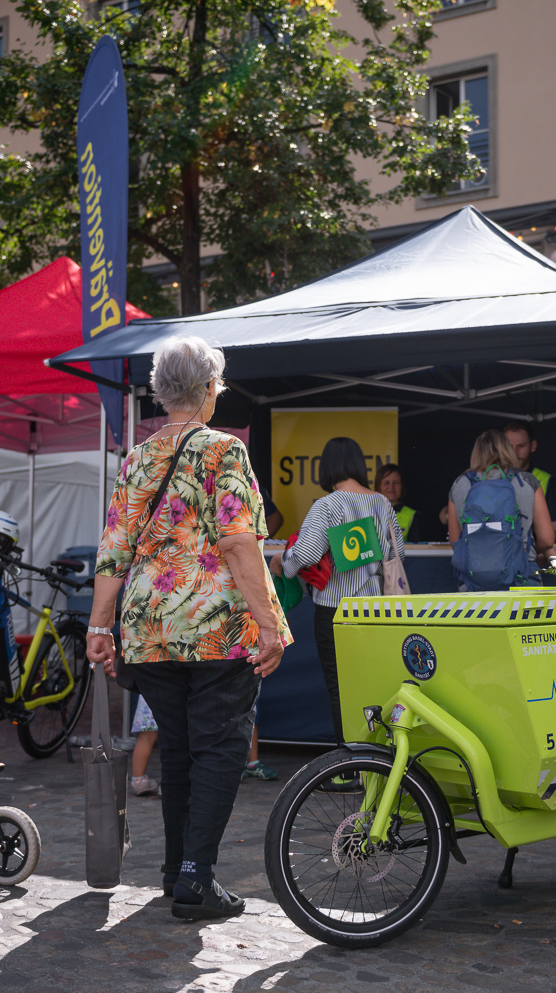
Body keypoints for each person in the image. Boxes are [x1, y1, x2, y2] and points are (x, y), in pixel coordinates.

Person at [87, 335, 287, 921]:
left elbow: (114, 546)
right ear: (207, 390)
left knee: (177, 749)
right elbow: (238, 541)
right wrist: (270, 625)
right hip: (215, 627)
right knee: (221, 746)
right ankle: (197, 877)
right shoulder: (223, 450)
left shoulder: (138, 456)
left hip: (147, 629)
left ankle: (178, 871)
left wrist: (99, 624)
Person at [270, 437, 401, 745]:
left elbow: (307, 554)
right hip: (376, 611)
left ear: (326, 467)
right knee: (373, 687)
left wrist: (281, 560)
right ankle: (375, 763)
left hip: (336, 612)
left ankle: (348, 769)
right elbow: (398, 556)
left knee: (341, 688)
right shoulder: (382, 503)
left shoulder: (328, 504)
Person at [446, 428, 553, 590]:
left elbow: (456, 543)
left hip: (473, 582)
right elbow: (546, 540)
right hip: (522, 579)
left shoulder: (460, 484)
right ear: (507, 450)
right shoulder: (527, 482)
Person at [502, 422, 556, 543]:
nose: (514, 452)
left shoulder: (546, 481)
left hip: (532, 558)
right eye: (509, 446)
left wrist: (530, 539)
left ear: (533, 446)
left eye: (521, 446)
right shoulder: (488, 479)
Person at [374, 463, 417, 542]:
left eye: (396, 483)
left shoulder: (412, 515)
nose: (391, 487)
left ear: (402, 486)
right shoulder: (368, 512)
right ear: (378, 486)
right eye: (386, 483)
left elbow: (418, 549)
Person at [129, 693, 159, 797]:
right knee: (176, 736)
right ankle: (172, 781)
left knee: (146, 736)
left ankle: (139, 780)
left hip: (151, 687)